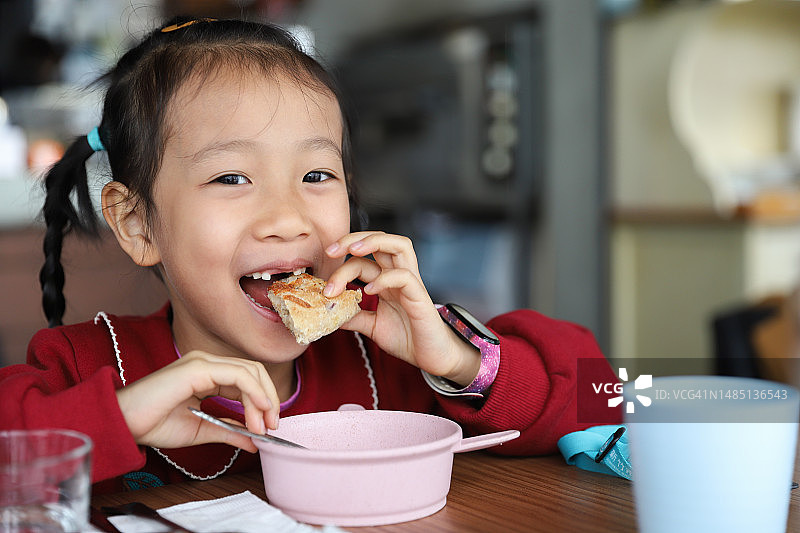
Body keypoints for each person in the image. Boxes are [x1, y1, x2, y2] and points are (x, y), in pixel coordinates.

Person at [0, 17, 618, 493]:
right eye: (232, 178)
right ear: (138, 226)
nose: (287, 217)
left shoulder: (391, 367)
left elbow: (602, 398)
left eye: (318, 174)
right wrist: (115, 419)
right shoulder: (84, 371)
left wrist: (456, 359)